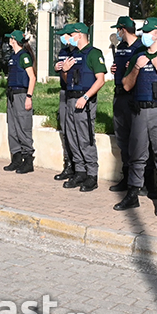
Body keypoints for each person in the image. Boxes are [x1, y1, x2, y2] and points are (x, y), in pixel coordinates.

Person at [113, 17, 157, 216]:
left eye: (148, 32)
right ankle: (133, 194)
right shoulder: (138, 56)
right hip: (139, 110)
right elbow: (126, 85)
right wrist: (136, 67)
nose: (144, 35)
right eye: (143, 32)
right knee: (137, 153)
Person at [60, 23, 106, 192]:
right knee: (72, 138)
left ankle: (91, 175)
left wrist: (86, 97)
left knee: (85, 138)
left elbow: (100, 80)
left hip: (84, 102)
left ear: (79, 35)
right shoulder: (73, 54)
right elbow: (67, 80)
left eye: (71, 34)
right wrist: (64, 71)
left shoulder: (94, 53)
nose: (69, 37)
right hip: (71, 99)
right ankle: (79, 171)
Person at [108, 16, 144, 192]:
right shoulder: (120, 47)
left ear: (123, 29)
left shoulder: (141, 48)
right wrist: (114, 69)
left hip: (134, 97)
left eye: (118, 29)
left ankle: (140, 180)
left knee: (137, 140)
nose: (117, 33)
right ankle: (126, 176)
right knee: (122, 139)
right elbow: (119, 68)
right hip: (119, 95)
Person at [1, 30, 36, 173]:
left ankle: (28, 161)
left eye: (10, 38)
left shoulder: (24, 56)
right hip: (12, 95)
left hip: (22, 95)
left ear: (14, 40)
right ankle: (16, 158)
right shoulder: (13, 57)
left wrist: (29, 97)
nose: (9, 40)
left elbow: (32, 78)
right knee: (12, 128)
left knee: (23, 128)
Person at [52, 25, 77, 182]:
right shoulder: (63, 52)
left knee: (75, 131)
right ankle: (68, 164)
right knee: (66, 129)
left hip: (76, 93)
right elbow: (60, 68)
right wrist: (57, 67)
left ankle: (78, 166)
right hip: (64, 92)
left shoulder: (78, 53)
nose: (63, 38)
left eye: (65, 35)